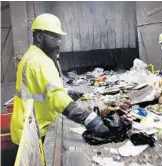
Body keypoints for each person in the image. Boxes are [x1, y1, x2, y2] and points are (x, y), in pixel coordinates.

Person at [10, 13, 110, 146]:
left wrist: (65, 91)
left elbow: (38, 88)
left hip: (24, 126)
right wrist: (90, 119)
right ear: (39, 37)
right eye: (54, 38)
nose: (58, 43)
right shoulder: (40, 61)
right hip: (33, 130)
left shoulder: (30, 56)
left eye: (59, 39)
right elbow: (56, 98)